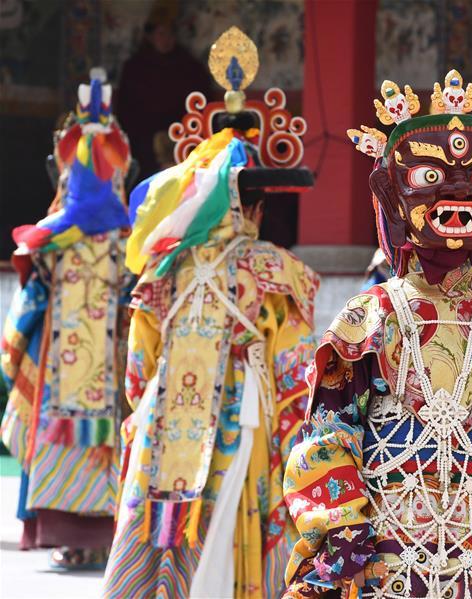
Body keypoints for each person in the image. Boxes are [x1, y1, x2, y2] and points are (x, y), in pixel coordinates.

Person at [283, 71, 472, 598]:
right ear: (390, 195)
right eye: (429, 178)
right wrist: (346, 536)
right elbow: (329, 440)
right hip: (383, 566)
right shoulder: (367, 321)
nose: (458, 192)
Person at [101, 29, 319, 598]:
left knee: (156, 516)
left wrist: (151, 403)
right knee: (235, 517)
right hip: (241, 414)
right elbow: (298, 375)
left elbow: (137, 370)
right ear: (257, 207)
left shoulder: (163, 270)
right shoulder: (276, 271)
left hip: (168, 413)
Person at [0, 69, 134, 570]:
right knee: (105, 447)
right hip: (106, 367)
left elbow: (32, 287)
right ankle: (93, 537)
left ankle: (74, 537)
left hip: (70, 370)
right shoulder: (125, 235)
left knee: (77, 447)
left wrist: (13, 350)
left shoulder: (53, 236)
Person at [115, 1, 211, 177]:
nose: (166, 39)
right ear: (150, 37)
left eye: (170, 34)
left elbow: (202, 102)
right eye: (161, 34)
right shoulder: (135, 67)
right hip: (144, 144)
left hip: (180, 139)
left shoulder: (188, 66)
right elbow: (126, 109)